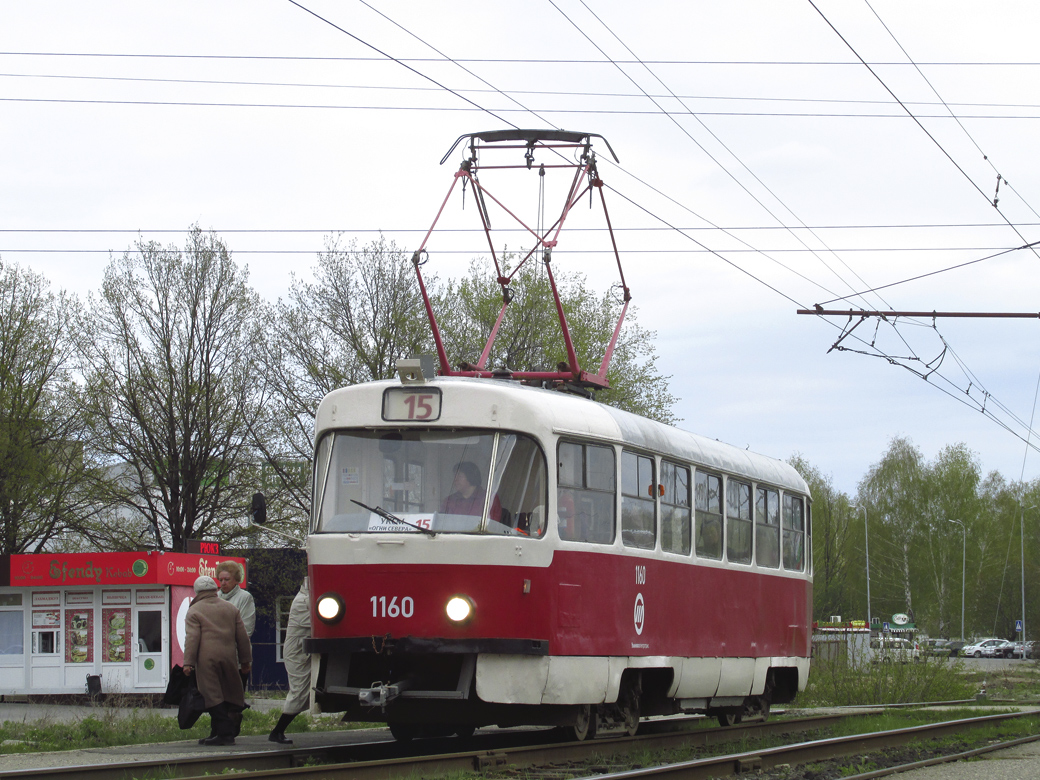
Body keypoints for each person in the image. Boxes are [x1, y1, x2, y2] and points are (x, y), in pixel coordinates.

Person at [183, 575, 252, 746]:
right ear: (215, 590)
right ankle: (217, 732)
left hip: (206, 660)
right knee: (228, 693)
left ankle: (225, 733)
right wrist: (245, 661)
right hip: (229, 657)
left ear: (197, 592)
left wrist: (188, 663)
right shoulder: (230, 608)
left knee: (212, 696)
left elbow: (192, 638)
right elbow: (242, 638)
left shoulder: (195, 611)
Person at [268, 577, 311, 744]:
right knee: (299, 692)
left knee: (302, 693)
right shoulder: (302, 602)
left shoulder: (306, 599)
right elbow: (318, 621)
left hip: (302, 652)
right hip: (297, 654)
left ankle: (278, 731)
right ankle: (277, 731)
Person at [216, 561, 256, 637]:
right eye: (221, 580)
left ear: (236, 580)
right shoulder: (215, 597)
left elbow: (247, 629)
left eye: (227, 579)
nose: (223, 583)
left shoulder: (245, 597)